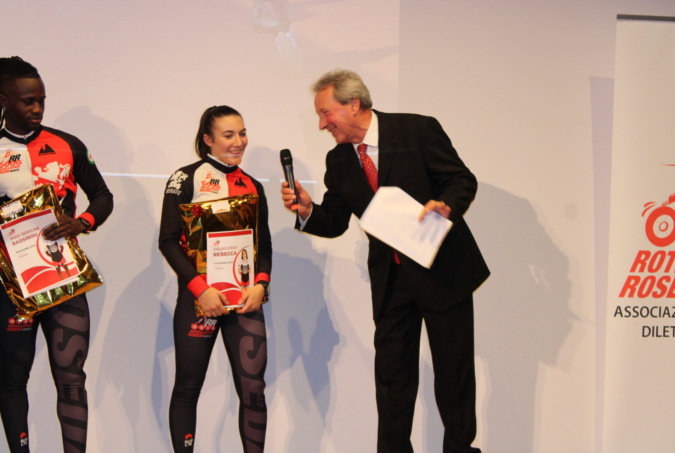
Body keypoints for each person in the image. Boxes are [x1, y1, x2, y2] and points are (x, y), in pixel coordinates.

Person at [281, 69, 490, 453]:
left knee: (453, 375)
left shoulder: (416, 130)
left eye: (325, 113)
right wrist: (309, 211)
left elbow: (462, 180)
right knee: (393, 381)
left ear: (353, 104)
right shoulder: (338, 160)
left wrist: (447, 205)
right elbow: (335, 222)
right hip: (392, 282)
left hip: (443, 271)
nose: (322, 124)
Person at [0, 56, 114, 452]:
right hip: (12, 284)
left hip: (64, 277)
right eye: (28, 101)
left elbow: (103, 196)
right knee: (12, 378)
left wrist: (81, 223)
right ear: (3, 100)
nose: (37, 108)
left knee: (71, 378)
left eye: (42, 100)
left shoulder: (68, 144)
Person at [159, 105, 271, 452]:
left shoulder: (252, 185)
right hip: (200, 301)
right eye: (228, 135)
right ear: (208, 139)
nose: (239, 141)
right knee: (188, 387)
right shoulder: (185, 178)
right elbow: (168, 240)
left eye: (243, 133)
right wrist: (200, 289)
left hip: (244, 301)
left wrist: (261, 284)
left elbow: (264, 245)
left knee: (253, 390)